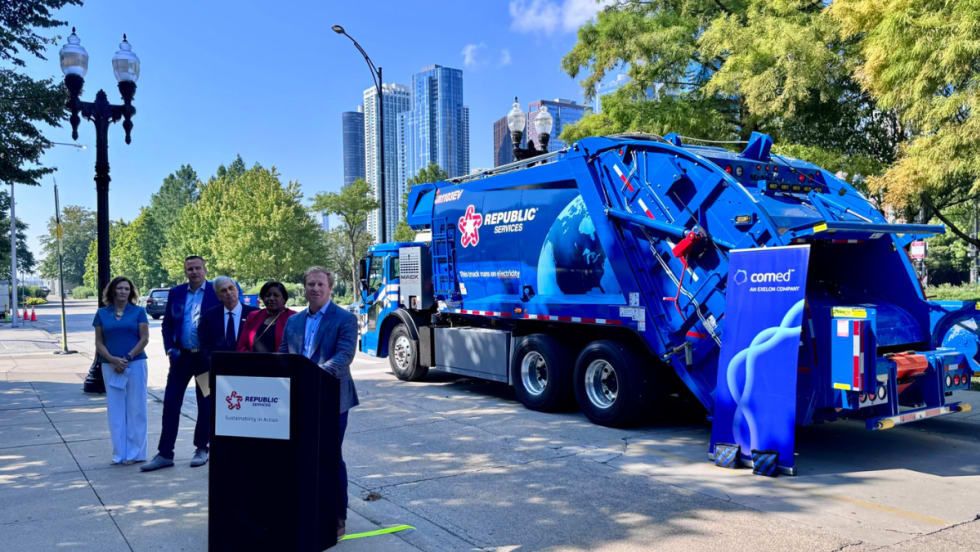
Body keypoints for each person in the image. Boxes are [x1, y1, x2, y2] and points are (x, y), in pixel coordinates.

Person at [278, 267, 358, 538]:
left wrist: (312, 376)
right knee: (300, 455)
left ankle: (337, 515)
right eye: (310, 284)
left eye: (320, 284)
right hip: (298, 399)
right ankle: (304, 509)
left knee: (331, 457)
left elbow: (344, 355)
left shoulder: (345, 318)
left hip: (332, 399)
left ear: (330, 287)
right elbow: (283, 353)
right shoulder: (293, 321)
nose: (314, 288)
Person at [142, 256, 219, 472]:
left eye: (197, 268)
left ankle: (201, 448)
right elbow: (167, 324)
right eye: (189, 269)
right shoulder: (176, 292)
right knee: (171, 404)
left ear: (205, 269)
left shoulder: (216, 292)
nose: (193, 272)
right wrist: (169, 348)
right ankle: (165, 453)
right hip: (180, 360)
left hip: (204, 361)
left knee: (205, 405)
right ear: (185, 271)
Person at [93, 276, 149, 465]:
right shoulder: (101, 314)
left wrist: (127, 358)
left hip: (135, 364)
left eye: (127, 289)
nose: (123, 291)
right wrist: (112, 359)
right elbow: (99, 342)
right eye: (119, 288)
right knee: (115, 410)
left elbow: (144, 338)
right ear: (113, 291)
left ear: (131, 292)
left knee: (137, 408)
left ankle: (136, 454)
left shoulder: (139, 312)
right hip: (110, 366)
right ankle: (119, 454)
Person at [199, 275, 259, 366]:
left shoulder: (255, 313)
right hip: (219, 368)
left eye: (231, 288)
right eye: (223, 290)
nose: (229, 292)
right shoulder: (209, 316)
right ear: (218, 296)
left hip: (249, 366)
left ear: (237, 290)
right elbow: (204, 344)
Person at [237, 280, 296, 353]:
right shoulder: (253, 316)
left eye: (276, 295)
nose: (271, 298)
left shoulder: (293, 318)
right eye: (267, 295)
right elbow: (241, 346)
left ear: (284, 299)